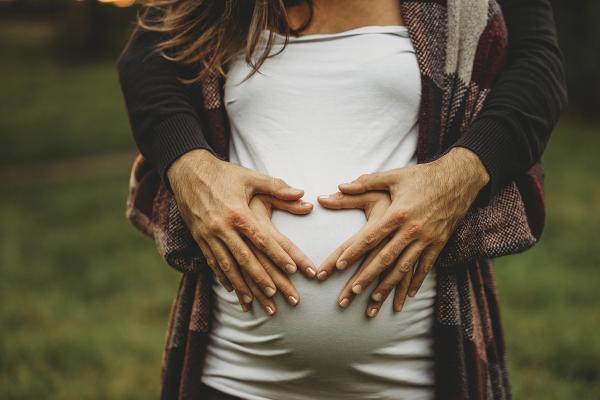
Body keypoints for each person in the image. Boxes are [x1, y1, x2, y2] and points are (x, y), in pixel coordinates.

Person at [117, 1, 567, 399]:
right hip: (234, 377)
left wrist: (460, 174)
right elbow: (146, 59)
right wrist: (190, 167)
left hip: (412, 380)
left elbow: (537, 71)